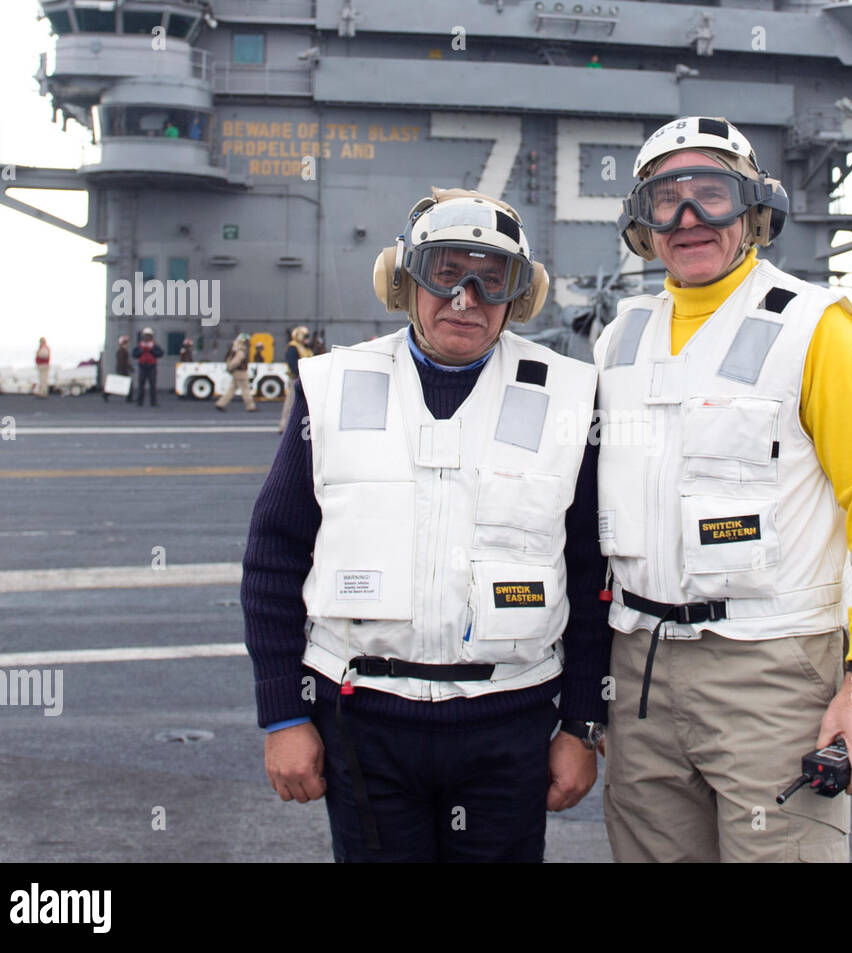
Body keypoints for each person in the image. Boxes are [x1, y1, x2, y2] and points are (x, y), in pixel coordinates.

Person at [242, 187, 609, 863]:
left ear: (518, 297)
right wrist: (284, 714)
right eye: (445, 272)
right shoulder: (330, 387)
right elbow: (274, 557)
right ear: (403, 280)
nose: (465, 298)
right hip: (363, 720)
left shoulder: (569, 396)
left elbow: (592, 576)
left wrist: (581, 725)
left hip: (511, 723)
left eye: (490, 278)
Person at [595, 116, 852, 863]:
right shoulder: (619, 338)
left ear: (753, 212)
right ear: (642, 226)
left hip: (771, 670)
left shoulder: (816, 330)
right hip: (639, 670)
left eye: (711, 195)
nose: (688, 219)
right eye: (665, 200)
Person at [276, 325, 312, 434]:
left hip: (307, 380)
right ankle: (284, 426)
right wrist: (300, 375)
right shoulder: (293, 347)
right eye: (305, 336)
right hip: (296, 380)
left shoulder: (305, 348)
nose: (307, 338)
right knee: (291, 403)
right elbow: (293, 365)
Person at [216, 333, 257, 413]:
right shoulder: (241, 350)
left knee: (232, 389)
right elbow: (236, 361)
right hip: (241, 372)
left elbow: (230, 359)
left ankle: (221, 403)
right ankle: (250, 406)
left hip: (236, 372)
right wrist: (231, 368)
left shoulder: (234, 349)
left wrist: (230, 368)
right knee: (245, 390)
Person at [132, 327, 164, 407]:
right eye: (145, 336)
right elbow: (134, 354)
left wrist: (151, 350)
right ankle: (140, 402)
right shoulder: (140, 346)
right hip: (142, 366)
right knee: (141, 385)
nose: (147, 337)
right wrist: (141, 351)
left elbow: (160, 353)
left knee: (153, 385)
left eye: (148, 336)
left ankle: (153, 402)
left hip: (152, 367)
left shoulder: (154, 346)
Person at [105, 335, 133, 403]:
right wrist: (129, 367)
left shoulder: (122, 350)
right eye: (126, 343)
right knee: (124, 384)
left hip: (122, 369)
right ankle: (106, 394)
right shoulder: (121, 351)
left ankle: (128, 398)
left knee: (123, 384)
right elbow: (123, 361)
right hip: (122, 369)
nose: (127, 344)